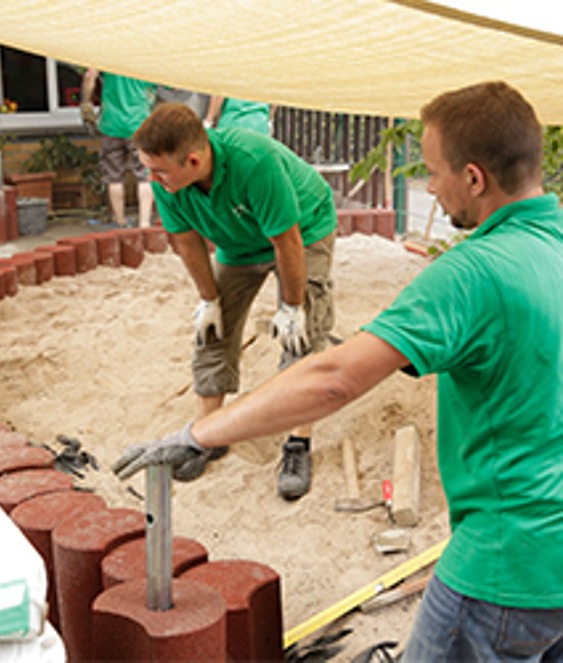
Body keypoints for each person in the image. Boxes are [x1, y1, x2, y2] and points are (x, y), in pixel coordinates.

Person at [115, 81, 563, 660]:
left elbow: (333, 378)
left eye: (432, 172)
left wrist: (196, 433)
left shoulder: (471, 273)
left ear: (474, 178)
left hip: (508, 562)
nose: (428, 185)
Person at [131, 102, 337, 499]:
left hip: (302, 230)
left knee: (302, 333)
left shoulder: (254, 161)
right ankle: (208, 435)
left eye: (158, 170)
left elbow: (286, 241)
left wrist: (291, 307)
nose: (151, 178)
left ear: (193, 160)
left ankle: (298, 443)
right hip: (239, 244)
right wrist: (209, 299)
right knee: (212, 329)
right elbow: (188, 243)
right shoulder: (169, 182)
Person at [81, 69, 156, 228]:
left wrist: (86, 102)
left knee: (114, 175)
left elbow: (89, 76)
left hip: (111, 124)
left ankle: (120, 221)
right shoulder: (145, 60)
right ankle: (144, 223)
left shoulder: (109, 56)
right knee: (145, 175)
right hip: (139, 124)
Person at [204, 96, 272, 136]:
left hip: (233, 124)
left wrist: (209, 120)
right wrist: (269, 120)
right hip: (260, 125)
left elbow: (219, 94)